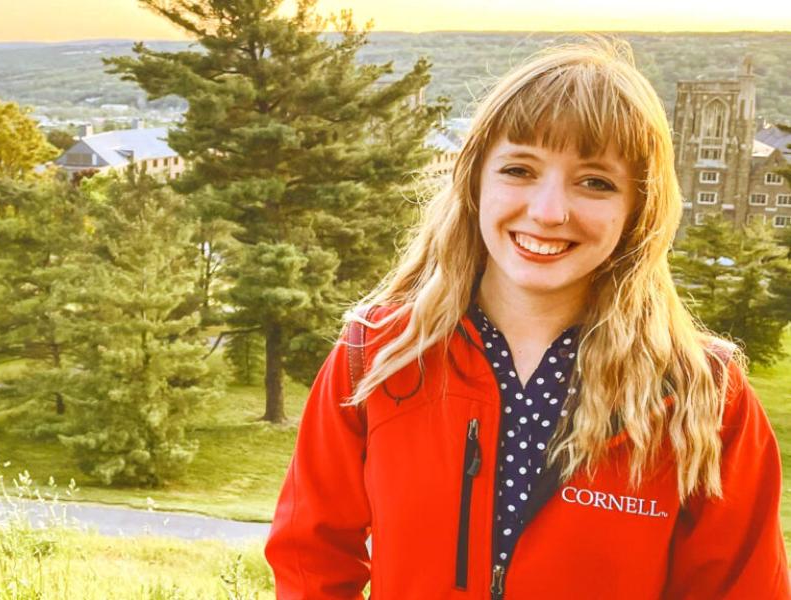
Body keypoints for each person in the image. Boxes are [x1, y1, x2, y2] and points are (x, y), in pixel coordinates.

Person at [264, 37, 790, 599]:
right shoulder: (377, 355)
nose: (547, 212)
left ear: (637, 209)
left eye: (595, 182)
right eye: (519, 169)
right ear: (474, 182)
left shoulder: (699, 395)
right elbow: (310, 558)